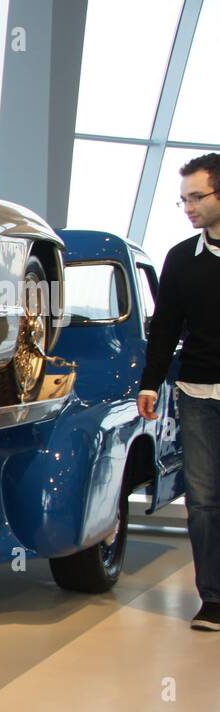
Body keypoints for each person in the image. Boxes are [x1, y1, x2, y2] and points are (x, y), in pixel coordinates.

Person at [137, 152, 220, 631]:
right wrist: (150, 383)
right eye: (183, 200)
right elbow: (165, 327)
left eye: (196, 197)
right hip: (197, 394)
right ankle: (213, 598)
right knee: (205, 501)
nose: (188, 207)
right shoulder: (180, 260)